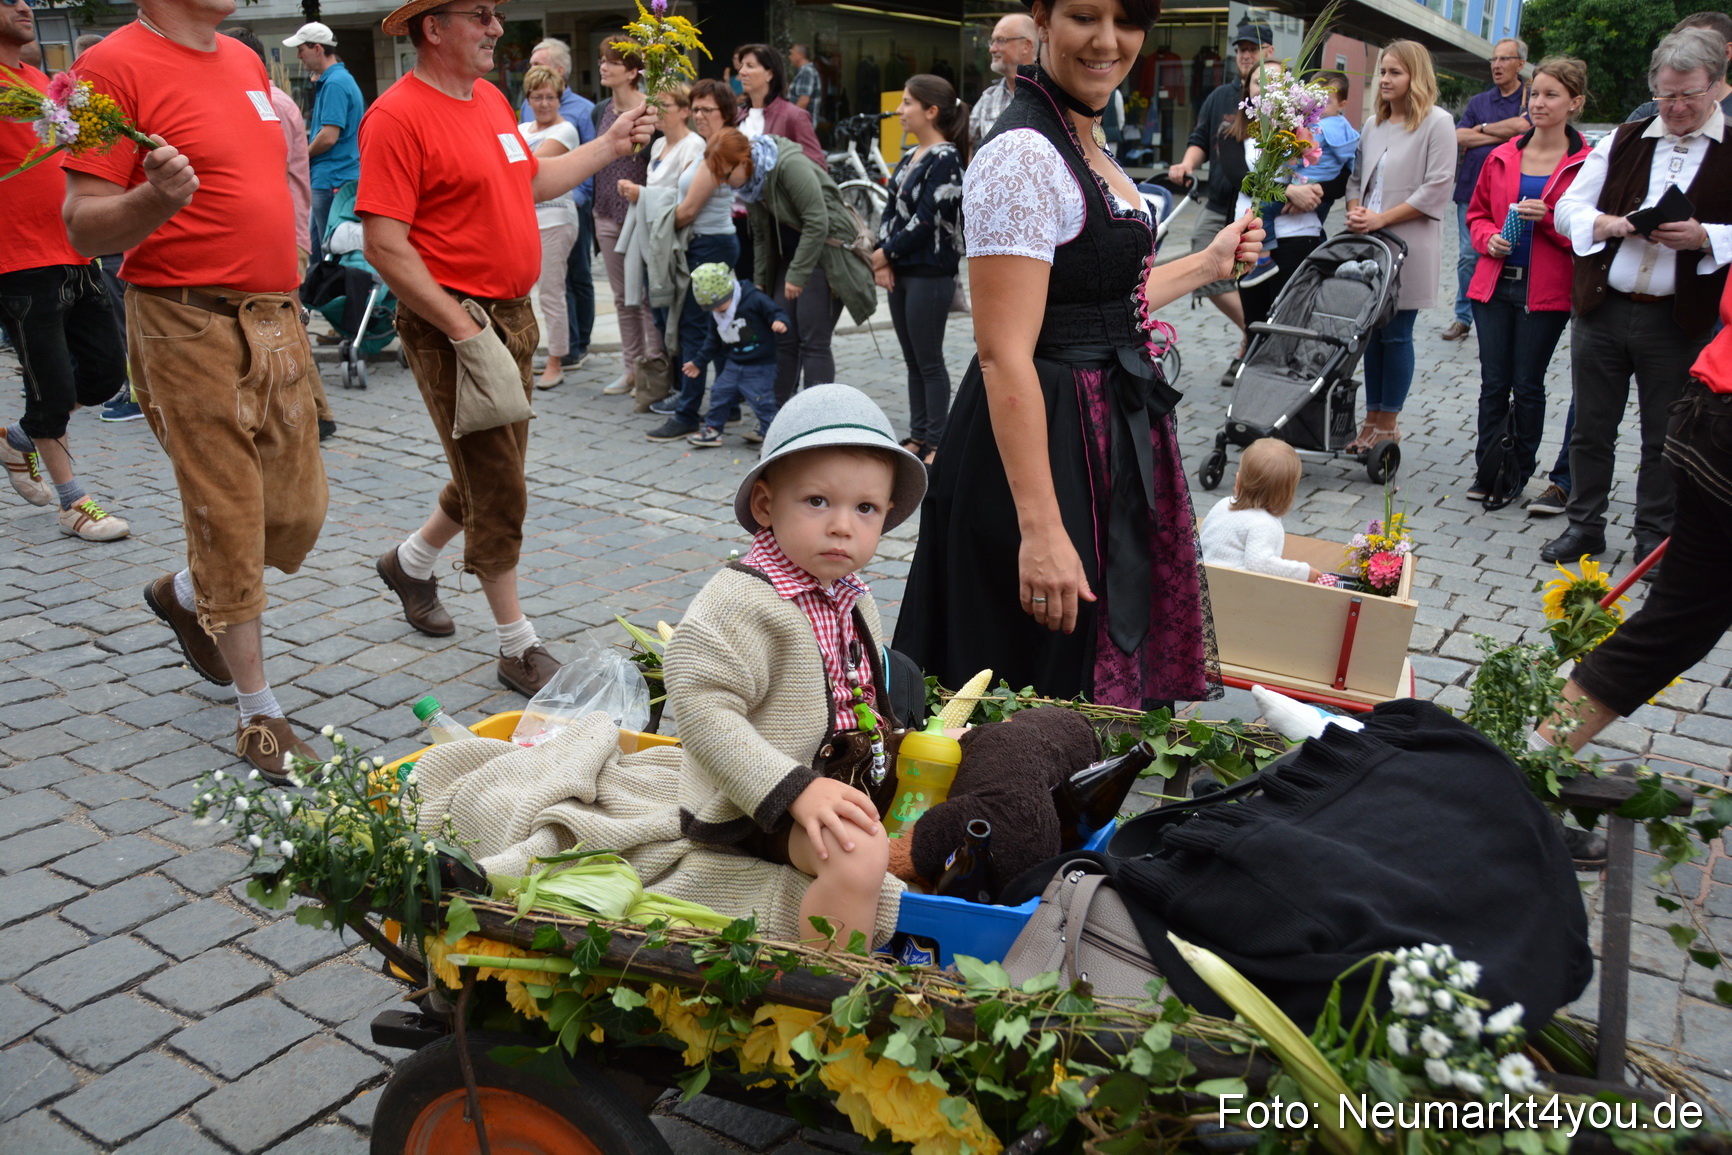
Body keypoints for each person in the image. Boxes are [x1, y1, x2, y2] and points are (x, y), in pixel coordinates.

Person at [895, 0, 1265, 709]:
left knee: (1082, 659)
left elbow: (1101, 301)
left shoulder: (1082, 141)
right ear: (1041, 19)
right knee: (1034, 667)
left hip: (1103, 426)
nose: (1108, 41)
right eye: (1085, 17)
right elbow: (1005, 353)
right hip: (1047, 440)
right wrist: (1040, 528)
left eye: (1126, 22)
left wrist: (1208, 263)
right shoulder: (1023, 155)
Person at [65, 0, 329, 778]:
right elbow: (81, 226)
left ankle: (186, 592)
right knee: (231, 511)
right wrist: (155, 200)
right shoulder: (105, 70)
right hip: (183, 323)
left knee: (297, 516)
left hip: (274, 319)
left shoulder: (245, 60)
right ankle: (260, 714)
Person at [358, 0, 653, 696]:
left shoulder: (488, 100)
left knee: (490, 464)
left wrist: (608, 147)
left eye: (495, 14)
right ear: (432, 27)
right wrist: (459, 326)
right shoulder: (396, 116)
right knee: (498, 481)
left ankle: (410, 561)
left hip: (510, 317)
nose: (496, 28)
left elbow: (530, 182)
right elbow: (383, 244)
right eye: (479, 15)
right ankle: (517, 645)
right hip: (455, 324)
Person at [665, 383, 926, 948]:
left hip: (838, 779)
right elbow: (701, 708)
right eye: (817, 502)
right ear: (765, 505)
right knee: (856, 857)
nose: (842, 526)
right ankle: (824, 988)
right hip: (753, 802)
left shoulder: (852, 595)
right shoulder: (741, 603)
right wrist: (797, 792)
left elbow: (862, 691)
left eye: (866, 509)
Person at [1543, 27, 1732, 572]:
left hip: (1679, 317)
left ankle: (1653, 537)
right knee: (1590, 427)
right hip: (1605, 306)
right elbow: (1565, 208)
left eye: (1688, 95)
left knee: (1664, 436)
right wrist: (1606, 222)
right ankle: (1584, 525)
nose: (1674, 107)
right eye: (1666, 95)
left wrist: (1704, 238)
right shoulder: (1623, 139)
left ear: (1715, 86)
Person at [0, 0, 129, 543]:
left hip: (77, 252)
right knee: (49, 388)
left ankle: (17, 440)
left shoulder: (39, 80)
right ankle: (73, 504)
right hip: (19, 262)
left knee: (106, 374)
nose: (24, 6)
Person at [1464, 57, 1592, 506]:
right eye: (1535, 93)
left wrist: (1553, 219)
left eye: (1551, 95)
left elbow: (1591, 232)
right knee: (1493, 383)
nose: (1539, 102)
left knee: (1529, 384)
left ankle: (1516, 472)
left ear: (1574, 102)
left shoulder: (1587, 164)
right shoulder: (1503, 154)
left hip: (1546, 291)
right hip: (1495, 285)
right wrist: (1489, 240)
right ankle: (1487, 469)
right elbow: (1476, 215)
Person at [705, 128, 877, 408]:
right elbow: (761, 236)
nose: (726, 183)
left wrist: (797, 275)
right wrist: (760, 284)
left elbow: (817, 221)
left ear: (744, 159)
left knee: (813, 340)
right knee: (782, 334)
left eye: (726, 175)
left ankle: (816, 421)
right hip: (794, 254)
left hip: (827, 253)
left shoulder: (786, 165)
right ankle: (776, 419)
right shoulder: (752, 183)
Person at [227, 25, 340, 442]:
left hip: (280, 232)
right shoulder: (276, 99)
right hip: (283, 230)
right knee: (285, 323)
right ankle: (311, 412)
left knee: (284, 325)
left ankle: (315, 414)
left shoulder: (266, 101)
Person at [1343, 40, 1455, 454]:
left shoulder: (1437, 123)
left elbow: (1436, 189)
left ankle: (1388, 423)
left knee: (1396, 333)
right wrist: (1356, 211)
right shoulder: (1374, 124)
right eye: (1383, 72)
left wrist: (1381, 219)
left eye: (1395, 72)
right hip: (1370, 241)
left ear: (1416, 77)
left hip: (1409, 242)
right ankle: (1371, 420)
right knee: (1371, 333)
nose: (1385, 80)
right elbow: (1357, 180)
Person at [1168, 23, 1274, 374]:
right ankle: (1256, 331)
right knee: (1206, 260)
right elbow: (1200, 138)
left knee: (1254, 274)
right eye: (1241, 49)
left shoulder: (1279, 98)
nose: (1246, 55)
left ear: (1268, 53)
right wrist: (1186, 163)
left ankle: (1252, 344)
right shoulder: (1219, 98)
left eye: (1253, 49)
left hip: (1262, 208)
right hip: (1219, 202)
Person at [872, 75, 968, 463]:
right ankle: (918, 434)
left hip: (929, 273)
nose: (899, 110)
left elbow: (927, 219)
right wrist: (882, 253)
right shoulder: (911, 154)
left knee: (929, 360)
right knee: (912, 360)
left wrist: (886, 254)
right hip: (901, 270)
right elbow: (889, 208)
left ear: (931, 111)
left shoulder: (947, 158)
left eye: (908, 102)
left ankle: (938, 441)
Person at [645, 78, 744, 442]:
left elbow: (687, 210)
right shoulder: (713, 144)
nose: (700, 115)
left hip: (709, 246)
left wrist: (653, 218)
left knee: (694, 331)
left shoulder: (721, 145)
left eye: (708, 109)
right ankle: (729, 403)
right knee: (713, 327)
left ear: (726, 112)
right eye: (697, 108)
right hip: (707, 245)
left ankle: (687, 412)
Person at [1445, 38, 1532, 343]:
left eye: (1504, 59)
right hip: (1471, 188)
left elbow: (1524, 130)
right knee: (1469, 255)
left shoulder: (1532, 98)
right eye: (1493, 60)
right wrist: (1499, 133)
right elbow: (1459, 136)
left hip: (1513, 191)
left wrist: (1481, 129)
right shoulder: (1479, 102)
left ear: (1520, 64)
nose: (1496, 65)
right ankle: (1462, 317)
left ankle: (1496, 313)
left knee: (1506, 252)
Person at [519, 38, 596, 377]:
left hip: (556, 217)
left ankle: (559, 358)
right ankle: (542, 351)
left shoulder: (565, 128)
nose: (545, 103)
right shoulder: (521, 127)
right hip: (525, 218)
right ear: (529, 99)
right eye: (538, 97)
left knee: (557, 289)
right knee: (531, 292)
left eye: (551, 97)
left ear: (559, 97)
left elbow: (526, 167)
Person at [592, 34, 662, 397]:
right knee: (621, 297)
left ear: (633, 71)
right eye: (602, 60)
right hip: (605, 212)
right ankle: (631, 368)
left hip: (641, 215)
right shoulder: (600, 110)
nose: (604, 66)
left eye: (612, 62)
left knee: (646, 296)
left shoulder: (651, 111)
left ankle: (653, 368)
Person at [682, 263, 788, 448]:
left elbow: (776, 311)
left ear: (729, 292)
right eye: (711, 309)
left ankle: (773, 434)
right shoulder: (716, 313)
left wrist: (779, 321)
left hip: (760, 364)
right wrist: (699, 362)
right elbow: (712, 341)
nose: (717, 312)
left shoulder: (753, 299)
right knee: (719, 393)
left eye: (719, 307)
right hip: (734, 363)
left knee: (761, 400)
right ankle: (713, 429)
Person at [286, 22, 363, 269]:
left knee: (327, 255)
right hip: (336, 177)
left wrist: (300, 157)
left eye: (301, 50)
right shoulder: (338, 79)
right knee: (320, 251)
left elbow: (329, 136)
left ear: (317, 49)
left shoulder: (335, 83)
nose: (298, 56)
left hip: (332, 179)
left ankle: (331, 305)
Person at [1199, 439, 1322, 582]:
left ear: (1238, 481)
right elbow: (1260, 564)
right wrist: (1304, 572)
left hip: (1200, 580)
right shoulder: (1264, 523)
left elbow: (1204, 537)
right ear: (1287, 496)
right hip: (1233, 587)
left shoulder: (1223, 504)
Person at [1623, 12, 1732, 122]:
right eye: (1679, 47)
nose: (1679, 108)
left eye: (1698, 47)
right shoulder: (1646, 116)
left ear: (1727, 52)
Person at [732, 43, 825, 166]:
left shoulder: (794, 117)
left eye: (750, 66)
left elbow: (817, 167)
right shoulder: (736, 115)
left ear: (769, 74)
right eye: (742, 65)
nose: (742, 72)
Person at [970, 12, 1036, 151]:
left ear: (1026, 46)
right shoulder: (989, 97)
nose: (992, 49)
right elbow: (966, 142)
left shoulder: (1052, 93)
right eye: (992, 41)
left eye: (1000, 40)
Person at [786, 41, 821, 126]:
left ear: (801, 55)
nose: (789, 57)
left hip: (802, 124)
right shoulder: (804, 71)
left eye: (792, 53)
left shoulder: (806, 72)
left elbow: (803, 100)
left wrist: (790, 120)